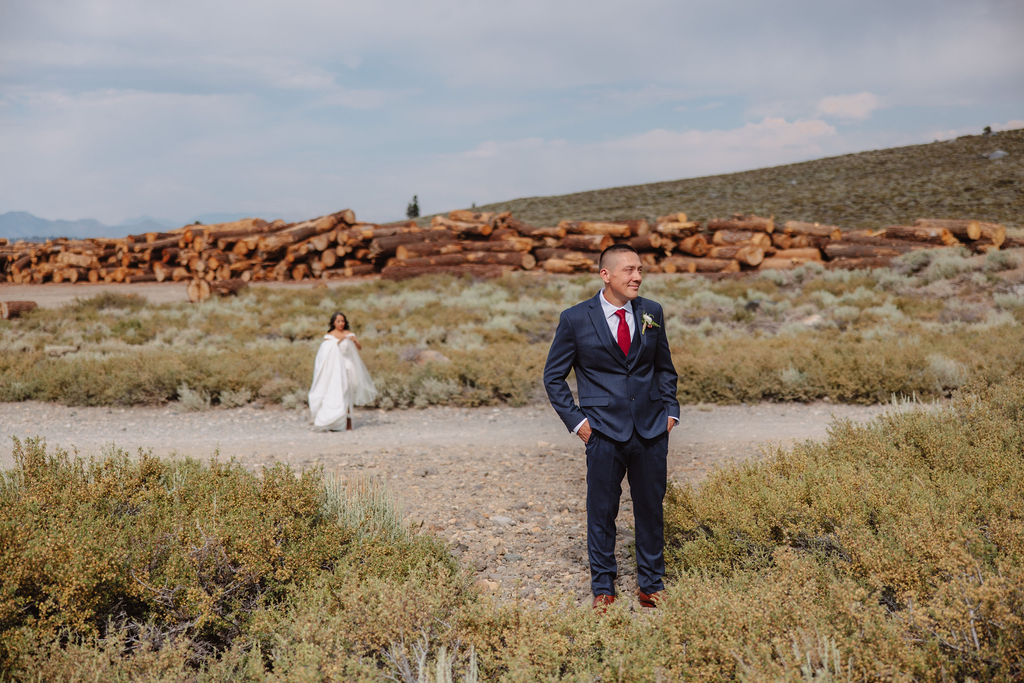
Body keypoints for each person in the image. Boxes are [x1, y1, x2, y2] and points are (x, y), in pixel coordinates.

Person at [543, 244, 679, 610]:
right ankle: (603, 587)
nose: (637, 277)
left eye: (639, 270)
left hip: (651, 429)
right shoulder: (574, 319)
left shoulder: (652, 312)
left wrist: (671, 410)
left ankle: (651, 585)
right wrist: (578, 423)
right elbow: (553, 377)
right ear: (606, 275)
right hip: (602, 431)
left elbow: (664, 367)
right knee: (602, 511)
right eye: (629, 270)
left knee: (651, 509)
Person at [309, 311, 376, 431]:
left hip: (348, 366)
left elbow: (358, 348)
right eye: (338, 321)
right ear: (333, 323)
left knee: (349, 392)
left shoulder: (349, 333)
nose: (341, 323)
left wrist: (354, 340)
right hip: (336, 368)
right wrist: (339, 340)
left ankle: (348, 420)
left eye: (342, 321)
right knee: (339, 392)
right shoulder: (330, 335)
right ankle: (335, 420)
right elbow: (326, 350)